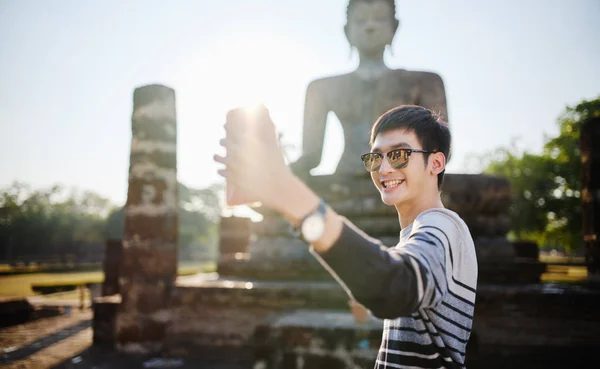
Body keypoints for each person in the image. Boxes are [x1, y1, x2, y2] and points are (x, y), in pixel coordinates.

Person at [215, 104, 478, 368]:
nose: (384, 169)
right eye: (375, 158)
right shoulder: (416, 235)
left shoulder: (443, 227)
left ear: (436, 162)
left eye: (399, 155)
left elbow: (395, 286)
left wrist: (286, 189)